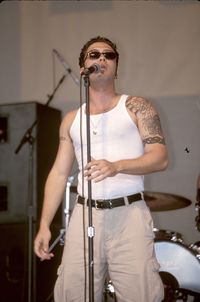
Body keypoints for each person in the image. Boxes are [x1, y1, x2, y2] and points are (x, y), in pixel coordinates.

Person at [34, 36, 168, 302]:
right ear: (84, 66)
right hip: (84, 215)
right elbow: (59, 174)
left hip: (129, 215)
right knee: (72, 295)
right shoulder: (72, 119)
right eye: (94, 55)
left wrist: (117, 166)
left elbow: (159, 158)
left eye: (109, 55)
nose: (102, 59)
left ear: (117, 65)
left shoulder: (137, 107)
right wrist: (44, 225)